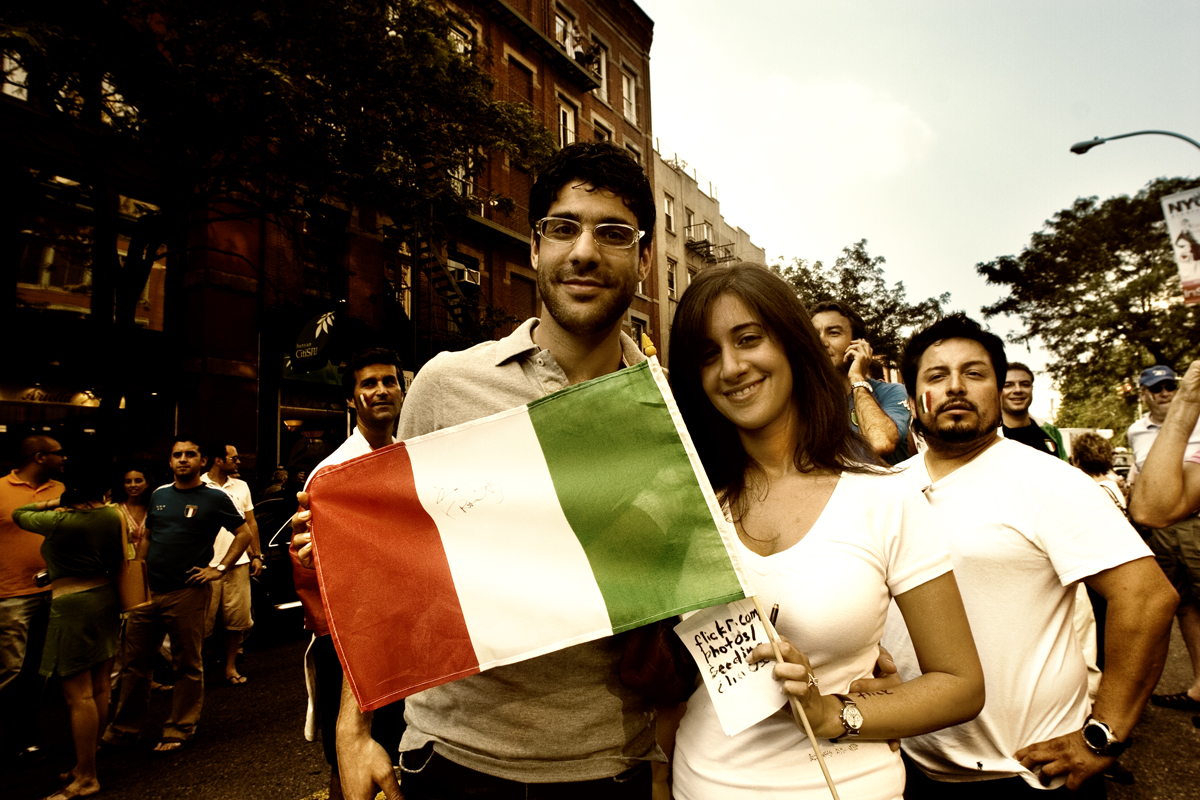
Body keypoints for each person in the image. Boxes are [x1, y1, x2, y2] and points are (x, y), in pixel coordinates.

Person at [294, 141, 659, 800]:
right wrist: (354, 732)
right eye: (563, 228)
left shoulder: (669, 412)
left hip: (608, 765)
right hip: (452, 759)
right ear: (534, 247)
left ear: (645, 258)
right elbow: (388, 570)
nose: (583, 251)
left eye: (613, 233)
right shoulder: (446, 384)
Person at [664, 263, 983, 799]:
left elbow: (959, 686)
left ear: (791, 344)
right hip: (699, 783)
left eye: (748, 339)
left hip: (846, 786)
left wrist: (832, 712)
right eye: (708, 354)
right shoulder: (689, 505)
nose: (732, 367)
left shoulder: (883, 496)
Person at [881, 313, 1177, 797]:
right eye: (936, 376)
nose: (955, 386)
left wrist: (1102, 737)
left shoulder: (1049, 481)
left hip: (1029, 774)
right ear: (913, 400)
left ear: (999, 392)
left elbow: (1146, 599)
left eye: (974, 374)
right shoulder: (887, 490)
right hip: (912, 766)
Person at [290, 347, 409, 800]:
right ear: (350, 400)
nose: (381, 390)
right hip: (350, 640)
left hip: (405, 632)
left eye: (389, 381)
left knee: (401, 754)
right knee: (351, 759)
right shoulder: (329, 475)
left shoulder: (412, 458)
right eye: (368, 383)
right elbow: (315, 575)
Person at [103, 437, 251, 753]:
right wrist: (136, 576)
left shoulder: (215, 498)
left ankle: (179, 728)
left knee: (187, 664)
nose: (183, 459)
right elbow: (149, 537)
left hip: (187, 592)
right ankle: (124, 730)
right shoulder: (159, 495)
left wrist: (219, 568)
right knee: (134, 665)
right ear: (169, 462)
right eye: (177, 455)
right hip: (148, 592)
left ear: (202, 461)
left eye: (190, 455)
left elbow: (244, 532)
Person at [13, 461, 122, 800]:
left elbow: (19, 514)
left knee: (79, 696)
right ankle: (86, 763)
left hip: (72, 605)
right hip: (105, 597)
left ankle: (86, 777)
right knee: (101, 687)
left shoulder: (61, 521)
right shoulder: (111, 515)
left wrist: (52, 501)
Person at [1129, 359, 1200, 712]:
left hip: (1194, 522)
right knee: (1181, 605)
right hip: (1160, 530)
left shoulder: (1196, 418)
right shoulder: (1136, 431)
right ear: (1144, 394)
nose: (1165, 393)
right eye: (1156, 389)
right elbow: (1143, 479)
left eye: (1170, 386)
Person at [0, 435, 66, 764]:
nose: (63, 458)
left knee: (39, 670)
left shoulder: (61, 490)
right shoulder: (0, 489)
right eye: (58, 454)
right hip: (10, 594)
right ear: (40, 457)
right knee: (9, 669)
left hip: (53, 592)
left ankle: (23, 733)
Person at [809, 301, 911, 464]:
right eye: (814, 334)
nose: (821, 341)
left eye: (833, 333)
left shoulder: (892, 391)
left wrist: (857, 377)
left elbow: (880, 443)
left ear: (857, 344)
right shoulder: (804, 402)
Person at [201, 443, 263, 686]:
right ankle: (195, 672)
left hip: (238, 562)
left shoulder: (241, 486)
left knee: (236, 620)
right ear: (218, 460)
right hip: (207, 563)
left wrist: (257, 554)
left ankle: (230, 667)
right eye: (234, 458)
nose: (238, 462)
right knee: (202, 623)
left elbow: (251, 522)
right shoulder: (200, 484)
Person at [1000, 363, 1067, 459]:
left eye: (1025, 384)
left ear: (1031, 389)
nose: (1018, 390)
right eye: (1008, 385)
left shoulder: (1051, 432)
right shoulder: (988, 436)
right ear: (998, 390)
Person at [114, 467, 153, 549]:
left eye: (138, 481)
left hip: (149, 557)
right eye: (128, 482)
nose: (133, 485)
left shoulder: (153, 508)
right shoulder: (114, 509)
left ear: (147, 483)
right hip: (122, 558)